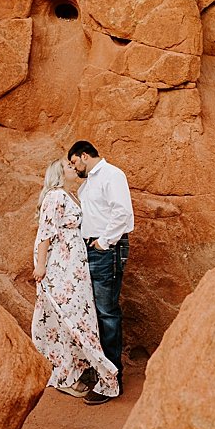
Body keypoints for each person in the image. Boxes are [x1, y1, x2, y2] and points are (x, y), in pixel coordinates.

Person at [31, 158, 119, 400]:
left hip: (73, 266)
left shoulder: (71, 196)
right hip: (61, 266)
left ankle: (72, 371)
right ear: (59, 174)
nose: (74, 167)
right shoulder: (55, 196)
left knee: (75, 316)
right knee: (69, 316)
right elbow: (45, 232)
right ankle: (64, 376)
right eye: (69, 166)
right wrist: (40, 266)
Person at [68, 140, 132, 405]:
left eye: (74, 163)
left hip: (107, 249)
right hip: (91, 249)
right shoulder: (88, 185)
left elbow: (123, 212)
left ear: (85, 156)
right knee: (93, 311)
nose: (74, 169)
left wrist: (103, 242)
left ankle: (112, 382)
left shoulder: (111, 175)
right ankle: (103, 370)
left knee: (106, 312)